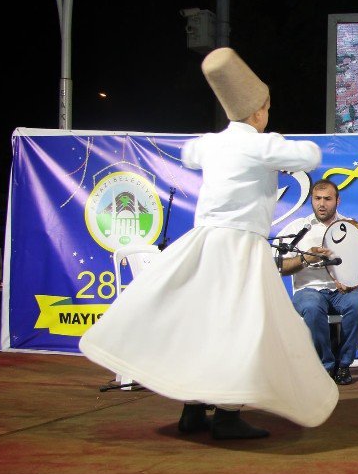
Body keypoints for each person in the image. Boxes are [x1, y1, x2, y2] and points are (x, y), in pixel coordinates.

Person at [80, 47, 339, 439]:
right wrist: (273, 152)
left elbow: (191, 152)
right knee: (240, 327)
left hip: (205, 243)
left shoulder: (213, 143)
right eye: (266, 108)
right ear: (257, 112)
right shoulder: (258, 143)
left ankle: (193, 409)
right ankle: (228, 415)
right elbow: (310, 154)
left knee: (204, 325)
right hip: (240, 248)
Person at [280, 180, 358, 385]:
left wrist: (351, 283)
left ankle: (344, 365)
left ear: (337, 200)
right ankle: (326, 366)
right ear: (311, 200)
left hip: (340, 292)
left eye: (327, 199)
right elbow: (281, 267)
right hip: (308, 290)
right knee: (311, 306)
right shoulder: (298, 228)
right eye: (317, 198)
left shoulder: (351, 227)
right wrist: (305, 259)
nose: (321, 204)